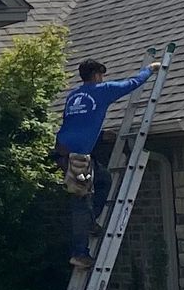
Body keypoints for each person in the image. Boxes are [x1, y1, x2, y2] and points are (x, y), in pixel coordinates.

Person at [56, 56, 155, 266]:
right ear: (96, 75)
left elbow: (77, 123)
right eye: (101, 74)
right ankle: (79, 253)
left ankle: (91, 222)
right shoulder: (102, 90)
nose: (102, 78)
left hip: (65, 150)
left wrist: (100, 135)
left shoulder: (73, 96)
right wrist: (149, 69)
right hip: (78, 156)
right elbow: (132, 83)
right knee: (80, 202)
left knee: (103, 180)